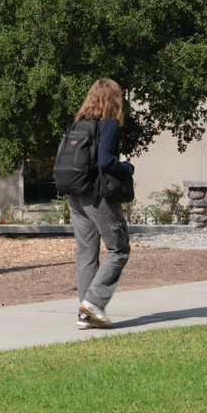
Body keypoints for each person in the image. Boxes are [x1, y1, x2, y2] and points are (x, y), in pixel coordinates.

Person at [70, 78, 135, 330]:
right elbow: (107, 162)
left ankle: (85, 315)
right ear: (114, 98)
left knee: (86, 253)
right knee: (119, 249)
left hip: (75, 195)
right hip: (97, 196)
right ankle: (94, 303)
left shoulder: (78, 123)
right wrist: (127, 167)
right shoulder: (107, 123)